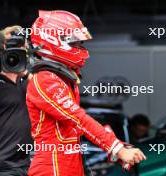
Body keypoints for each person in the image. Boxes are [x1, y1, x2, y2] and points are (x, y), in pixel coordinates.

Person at [26, 10, 146, 176]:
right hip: (51, 168)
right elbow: (78, 119)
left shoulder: (63, 79)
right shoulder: (45, 80)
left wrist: (117, 147)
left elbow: (77, 127)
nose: (80, 48)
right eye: (75, 43)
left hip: (69, 165)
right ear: (53, 40)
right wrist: (116, 148)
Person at [0, 28, 33, 176]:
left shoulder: (24, 79)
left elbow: (49, 93)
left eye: (21, 49)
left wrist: (23, 72)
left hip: (25, 164)